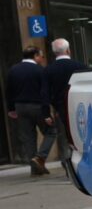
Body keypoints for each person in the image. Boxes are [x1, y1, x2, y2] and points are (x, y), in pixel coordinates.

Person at [5, 46, 56, 175]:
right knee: (51, 131)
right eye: (41, 56)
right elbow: (45, 93)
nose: (42, 58)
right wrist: (47, 113)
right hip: (38, 106)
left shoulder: (13, 70)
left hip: (20, 107)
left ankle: (35, 169)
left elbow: (9, 91)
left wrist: (11, 108)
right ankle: (40, 158)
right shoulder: (40, 70)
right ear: (35, 56)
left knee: (28, 137)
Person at [44, 38, 86, 162]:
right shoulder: (80, 66)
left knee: (64, 136)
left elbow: (45, 93)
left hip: (60, 109)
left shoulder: (48, 70)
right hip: (80, 106)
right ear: (68, 50)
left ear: (54, 52)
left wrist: (46, 114)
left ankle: (66, 162)